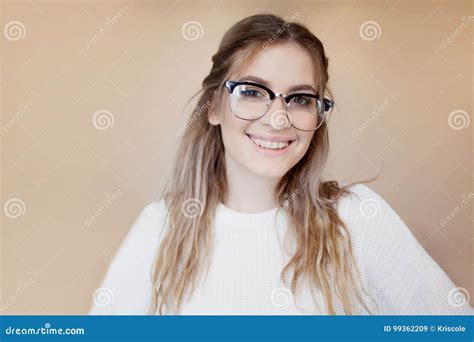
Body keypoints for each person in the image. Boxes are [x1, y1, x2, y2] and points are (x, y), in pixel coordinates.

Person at [89, 14, 473, 315]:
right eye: (253, 92)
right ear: (215, 107)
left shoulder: (357, 218)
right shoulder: (160, 225)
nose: (278, 119)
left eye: (300, 99)